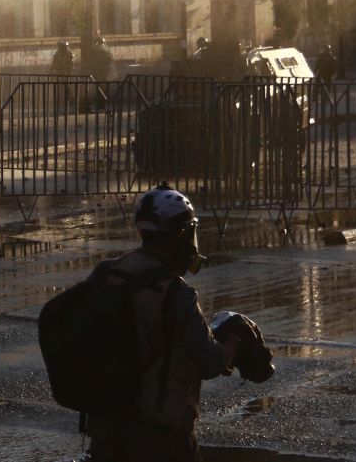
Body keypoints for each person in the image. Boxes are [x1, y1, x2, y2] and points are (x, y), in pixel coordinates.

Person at [84, 185, 245, 462]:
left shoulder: (107, 273)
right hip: (160, 434)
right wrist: (231, 346)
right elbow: (209, 362)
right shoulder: (176, 293)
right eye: (189, 232)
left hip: (106, 428)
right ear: (178, 234)